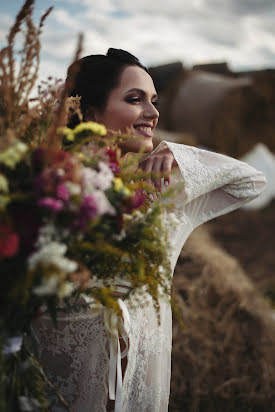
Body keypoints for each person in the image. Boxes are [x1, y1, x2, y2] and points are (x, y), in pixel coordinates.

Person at [33, 48, 266, 412]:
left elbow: (251, 181)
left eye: (154, 101)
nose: (154, 113)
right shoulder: (46, 193)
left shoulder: (160, 193)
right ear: (89, 112)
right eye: (134, 99)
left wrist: (178, 152)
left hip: (141, 395)